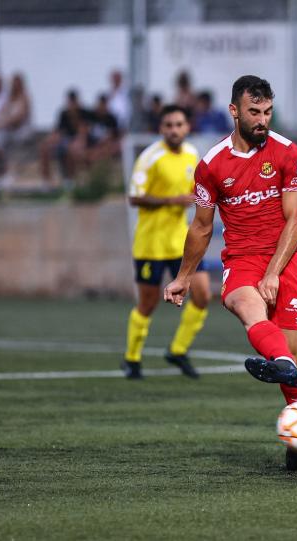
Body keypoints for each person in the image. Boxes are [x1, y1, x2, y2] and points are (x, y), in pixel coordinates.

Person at [163, 75, 297, 471]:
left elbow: (296, 220)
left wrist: (274, 273)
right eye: (254, 112)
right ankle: (282, 368)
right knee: (240, 301)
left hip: (290, 254)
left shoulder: (288, 153)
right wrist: (183, 275)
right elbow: (200, 227)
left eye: (267, 112)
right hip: (242, 257)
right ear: (234, 111)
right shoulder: (212, 165)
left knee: (294, 368)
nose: (262, 120)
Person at [122, 105, 211, 381]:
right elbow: (134, 198)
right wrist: (171, 200)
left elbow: (192, 190)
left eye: (179, 124)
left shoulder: (192, 154)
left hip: (181, 241)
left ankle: (178, 350)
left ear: (187, 127)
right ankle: (132, 359)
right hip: (151, 244)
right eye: (169, 125)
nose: (174, 129)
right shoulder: (150, 157)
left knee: (203, 295)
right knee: (148, 304)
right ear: (162, 129)